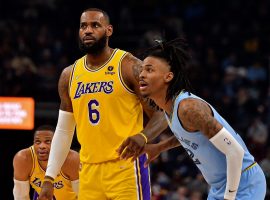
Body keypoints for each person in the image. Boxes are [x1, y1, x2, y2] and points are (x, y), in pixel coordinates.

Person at [39, 8, 167, 200]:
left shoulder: (129, 66)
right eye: (83, 26)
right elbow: (65, 130)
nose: (88, 30)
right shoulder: (69, 75)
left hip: (125, 168)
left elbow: (163, 111)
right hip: (89, 172)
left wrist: (144, 136)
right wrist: (49, 177)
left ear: (109, 30)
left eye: (95, 25)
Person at [118, 38, 267, 200]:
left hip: (244, 182)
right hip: (220, 187)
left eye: (149, 70)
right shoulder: (169, 108)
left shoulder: (189, 108)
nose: (142, 75)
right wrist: (160, 147)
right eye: (142, 70)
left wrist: (229, 197)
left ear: (168, 77)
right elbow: (190, 135)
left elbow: (235, 151)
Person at [13, 125, 79, 200]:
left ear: (57, 143)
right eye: (38, 142)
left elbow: (82, 194)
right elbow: (21, 196)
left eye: (48, 141)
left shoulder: (71, 159)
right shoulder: (23, 159)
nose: (42, 146)